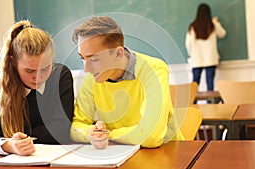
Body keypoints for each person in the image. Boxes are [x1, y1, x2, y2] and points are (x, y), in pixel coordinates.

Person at [70, 16, 184, 149]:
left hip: (167, 153)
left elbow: (150, 137)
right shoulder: (93, 76)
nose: (86, 68)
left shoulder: (154, 70)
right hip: (119, 152)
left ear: (118, 53)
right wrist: (92, 133)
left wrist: (108, 134)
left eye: (94, 59)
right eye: (82, 58)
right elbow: (75, 128)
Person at [0, 20, 74, 155]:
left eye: (45, 69)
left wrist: (21, 139)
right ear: (13, 62)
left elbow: (61, 128)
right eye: (30, 71)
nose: (38, 78)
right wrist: (8, 145)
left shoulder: (60, 76)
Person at [186, 3, 226, 91]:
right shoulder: (212, 25)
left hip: (197, 59)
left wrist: (192, 54)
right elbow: (222, 34)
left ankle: (192, 103)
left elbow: (188, 44)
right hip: (210, 59)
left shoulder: (193, 27)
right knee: (210, 83)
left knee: (195, 84)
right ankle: (210, 104)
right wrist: (216, 22)